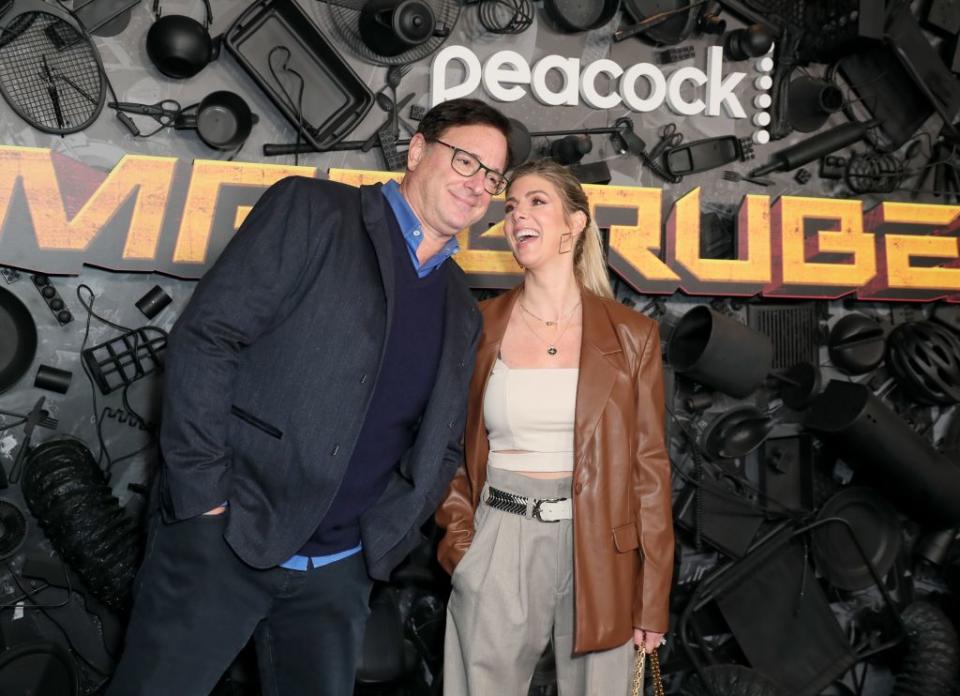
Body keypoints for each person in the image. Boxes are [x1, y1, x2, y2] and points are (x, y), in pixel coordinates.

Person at [106, 98, 512, 696]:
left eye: (493, 176)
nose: (478, 184)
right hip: (226, 540)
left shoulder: (459, 302)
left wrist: (380, 546)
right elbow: (206, 340)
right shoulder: (314, 210)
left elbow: (441, 439)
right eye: (466, 159)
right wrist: (204, 501)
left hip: (338, 575)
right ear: (419, 150)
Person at [436, 158, 674, 695]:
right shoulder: (478, 328)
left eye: (536, 201)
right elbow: (447, 446)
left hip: (602, 548)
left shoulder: (633, 335)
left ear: (576, 223)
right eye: (510, 205)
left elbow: (650, 473)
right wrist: (463, 544)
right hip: (499, 535)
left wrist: (652, 597)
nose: (518, 213)